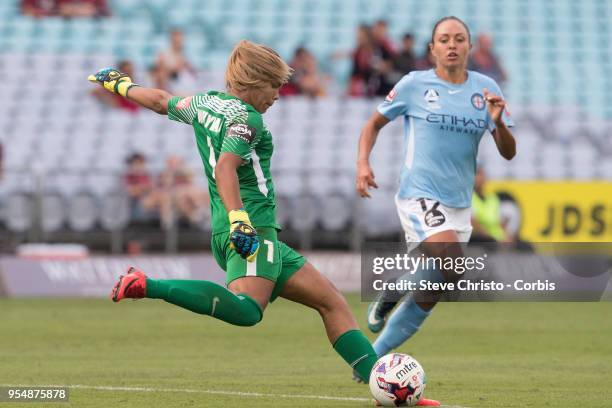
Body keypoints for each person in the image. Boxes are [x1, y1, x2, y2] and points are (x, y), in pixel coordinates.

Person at [88, 40, 385, 390]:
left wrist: (121, 85)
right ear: (252, 81)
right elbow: (225, 169)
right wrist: (239, 220)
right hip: (250, 228)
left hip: (237, 229)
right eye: (273, 85)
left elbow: (159, 101)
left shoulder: (204, 102)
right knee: (247, 311)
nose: (277, 94)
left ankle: (383, 385)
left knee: (331, 302)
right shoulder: (248, 120)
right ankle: (146, 284)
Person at [356, 16, 515, 363]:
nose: (452, 45)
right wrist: (363, 164)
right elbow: (373, 123)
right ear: (432, 49)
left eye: (459, 39)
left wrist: (498, 122)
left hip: (459, 204)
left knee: (444, 281)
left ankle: (372, 356)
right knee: (452, 260)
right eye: (444, 39)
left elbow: (508, 151)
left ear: (469, 47)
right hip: (419, 194)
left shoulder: (486, 89)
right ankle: (394, 289)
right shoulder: (414, 85)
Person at [470, 166, 515, 243]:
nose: (479, 179)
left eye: (481, 175)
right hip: (481, 239)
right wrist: (495, 239)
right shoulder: (468, 198)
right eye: (476, 175)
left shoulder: (493, 199)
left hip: (496, 239)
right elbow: (474, 224)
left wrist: (507, 236)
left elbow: (500, 224)